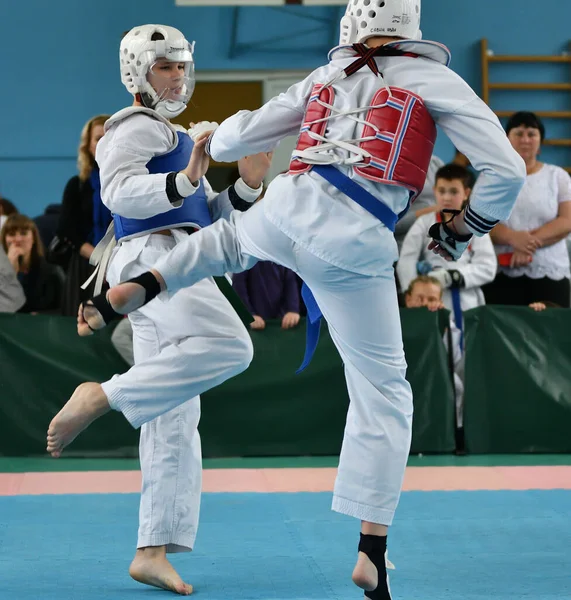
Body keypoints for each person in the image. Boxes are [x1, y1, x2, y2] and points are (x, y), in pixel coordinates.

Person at [47, 3, 526, 598]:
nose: (177, 77)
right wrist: (464, 226)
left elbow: (241, 133)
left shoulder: (327, 75)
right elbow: (505, 168)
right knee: (382, 390)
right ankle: (371, 548)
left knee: (228, 243)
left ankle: (148, 286)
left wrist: (217, 148)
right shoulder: (434, 79)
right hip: (356, 237)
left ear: (354, 21)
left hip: (288, 205)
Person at [47, 24, 270, 596]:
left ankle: (151, 549)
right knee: (230, 345)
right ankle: (103, 395)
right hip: (154, 259)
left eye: (181, 66)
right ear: (137, 73)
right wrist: (188, 175)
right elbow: (118, 193)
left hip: (177, 250)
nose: (178, 75)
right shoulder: (132, 126)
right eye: (165, 66)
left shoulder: (171, 136)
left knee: (173, 415)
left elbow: (203, 213)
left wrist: (245, 187)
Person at [397, 163, 497, 332]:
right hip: (429, 300)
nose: (447, 197)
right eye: (442, 191)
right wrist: (413, 292)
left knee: (466, 343)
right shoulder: (424, 223)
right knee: (434, 342)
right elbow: (406, 260)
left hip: (466, 299)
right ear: (435, 191)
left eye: (453, 192)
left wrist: (454, 276)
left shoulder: (474, 226)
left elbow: (487, 266)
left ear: (466, 193)